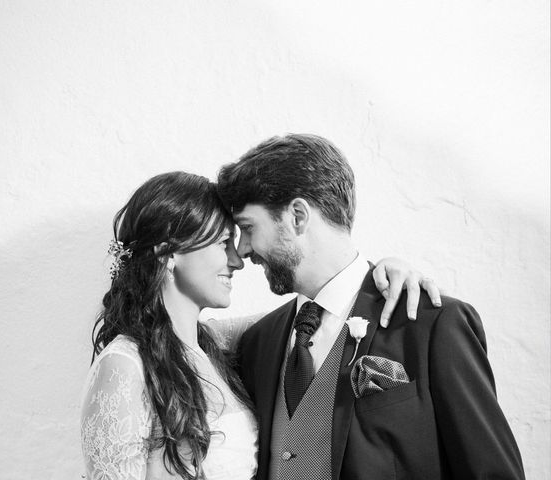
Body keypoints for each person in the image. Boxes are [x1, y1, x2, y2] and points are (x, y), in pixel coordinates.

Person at [80, 171, 440, 480]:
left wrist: (381, 273)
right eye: (224, 243)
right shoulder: (124, 365)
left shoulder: (217, 343)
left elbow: (325, 308)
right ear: (168, 254)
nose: (238, 260)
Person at [216, 134, 525, 480]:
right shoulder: (258, 341)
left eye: (247, 228)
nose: (241, 252)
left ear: (298, 217)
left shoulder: (431, 324)